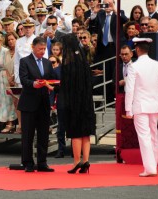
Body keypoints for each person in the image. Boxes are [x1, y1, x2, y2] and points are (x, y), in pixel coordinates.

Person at [125, 37, 158, 177]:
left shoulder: (134, 66)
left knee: (145, 137)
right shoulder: (157, 65)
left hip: (140, 106)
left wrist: (128, 109)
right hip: (154, 105)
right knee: (153, 136)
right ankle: (153, 165)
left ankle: (150, 168)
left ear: (137, 49)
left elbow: (129, 89)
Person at [55, 33, 95, 173]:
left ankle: (77, 161)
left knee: (75, 132)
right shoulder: (84, 62)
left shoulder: (68, 65)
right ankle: (86, 160)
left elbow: (65, 86)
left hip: (73, 103)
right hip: (86, 102)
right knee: (86, 133)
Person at [18, 36, 56, 172]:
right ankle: (27, 162)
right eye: (40, 48)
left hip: (44, 103)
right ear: (33, 47)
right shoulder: (25, 61)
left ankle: (42, 162)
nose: (42, 51)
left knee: (43, 133)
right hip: (29, 102)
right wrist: (34, 84)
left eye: (44, 49)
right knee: (28, 134)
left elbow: (52, 78)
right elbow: (23, 80)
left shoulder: (47, 62)